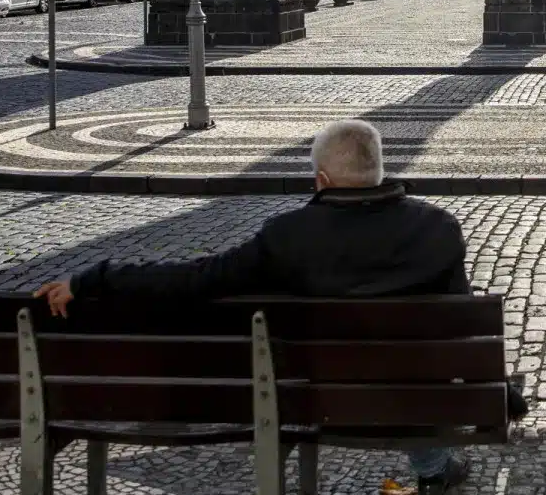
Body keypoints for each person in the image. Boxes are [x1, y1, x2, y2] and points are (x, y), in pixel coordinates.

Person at [33, 120, 502, 492]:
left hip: (311, 398)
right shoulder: (437, 229)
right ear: (379, 171)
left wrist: (95, 277)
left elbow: (196, 279)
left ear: (321, 180)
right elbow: (458, 328)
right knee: (406, 360)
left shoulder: (286, 237)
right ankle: (434, 466)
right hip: (414, 394)